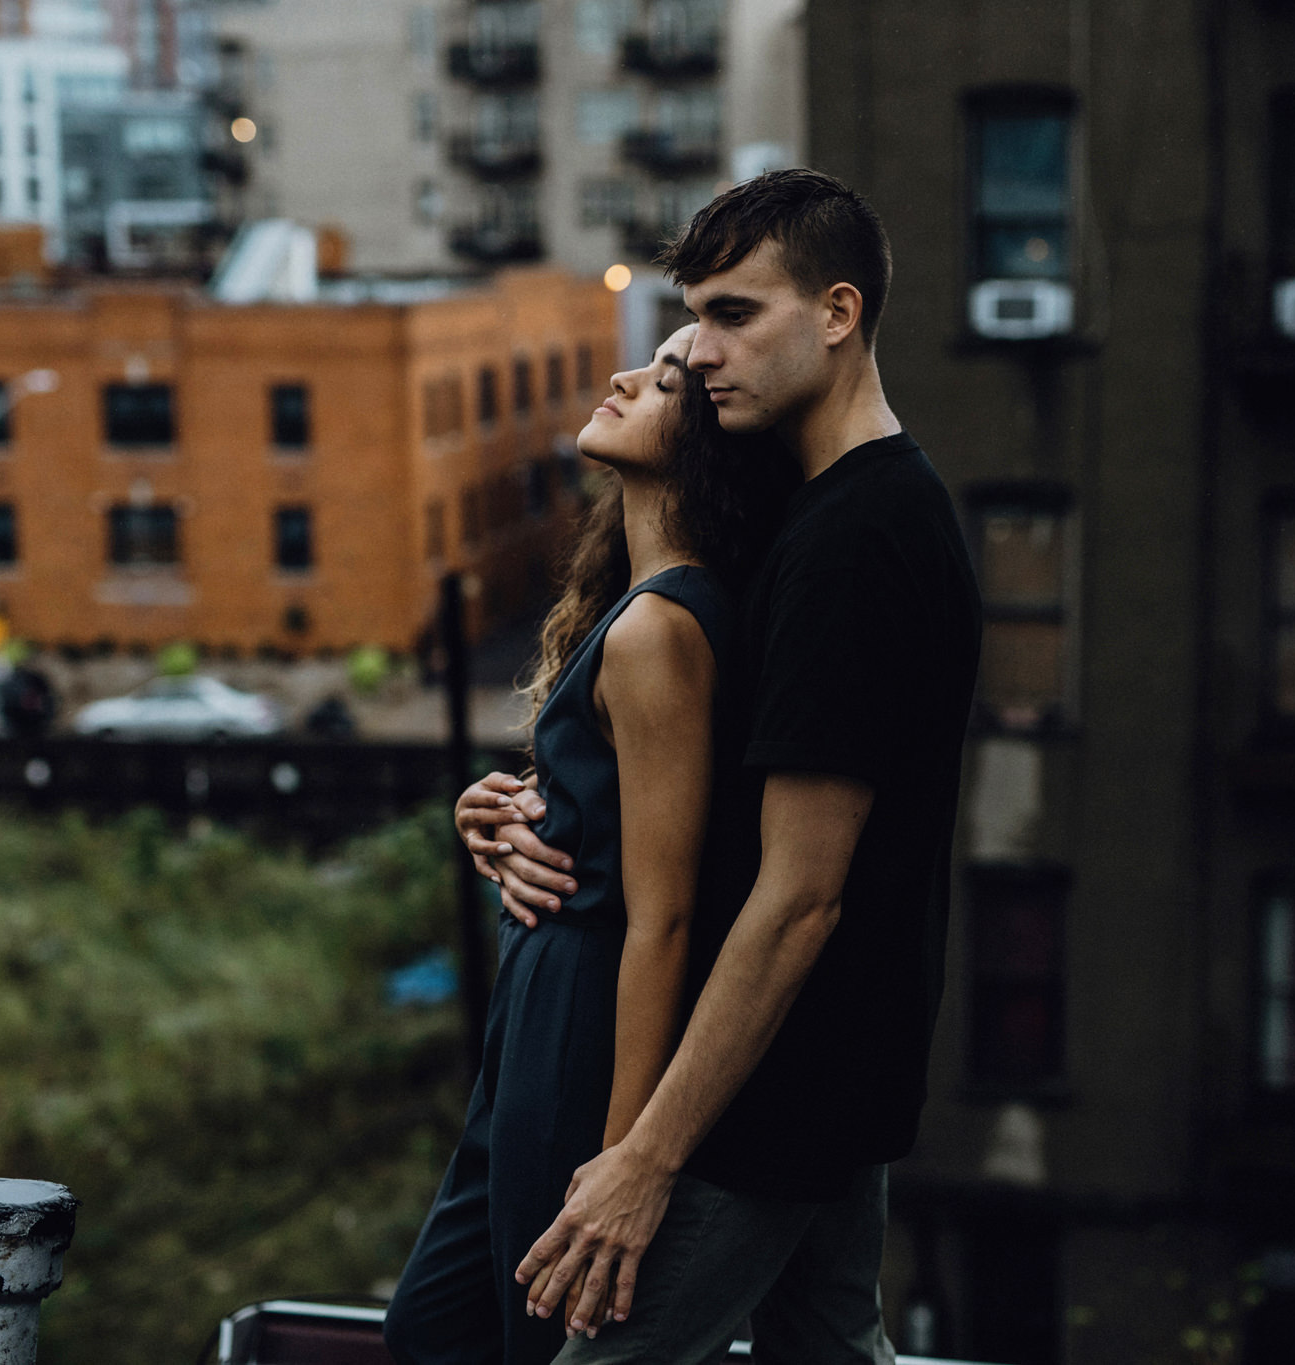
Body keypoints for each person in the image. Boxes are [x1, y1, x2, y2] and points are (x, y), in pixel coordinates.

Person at [456, 169, 982, 1365]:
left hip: (765, 1097)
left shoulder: (856, 544)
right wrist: (518, 810)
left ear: (837, 313)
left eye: (737, 314)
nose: (698, 351)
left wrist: (643, 1156)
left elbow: (798, 898)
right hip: (818, 1073)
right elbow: (692, 793)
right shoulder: (823, 510)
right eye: (693, 314)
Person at [382, 325, 797, 1365]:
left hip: (586, 1022)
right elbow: (615, 812)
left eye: (662, 381)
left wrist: (619, 1163)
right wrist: (505, 812)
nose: (620, 379)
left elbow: (662, 916)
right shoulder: (633, 608)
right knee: (432, 1327)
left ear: (707, 446)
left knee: (540, 1340)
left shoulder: (661, 631)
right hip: (537, 1005)